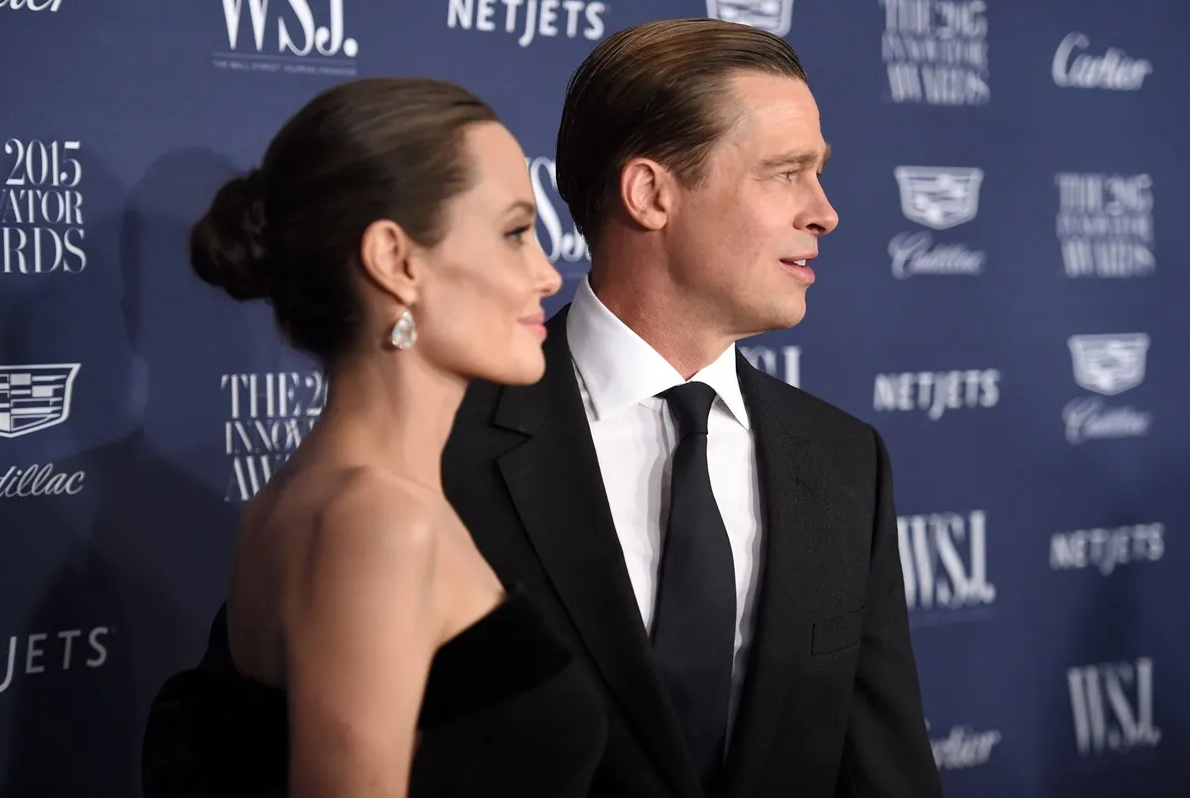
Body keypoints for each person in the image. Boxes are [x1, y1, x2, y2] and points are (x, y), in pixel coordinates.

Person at [144, 17, 944, 798]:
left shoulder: (844, 463)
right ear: (650, 193)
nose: (825, 211)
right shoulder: (418, 469)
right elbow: (229, 752)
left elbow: (884, 767)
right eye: (785, 172)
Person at [140, 77, 606, 797]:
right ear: (396, 260)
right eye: (515, 232)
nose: (547, 273)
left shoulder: (313, 499)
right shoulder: (378, 523)